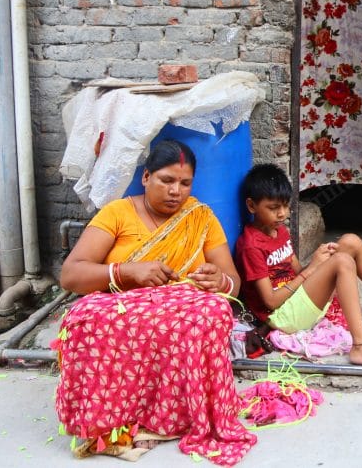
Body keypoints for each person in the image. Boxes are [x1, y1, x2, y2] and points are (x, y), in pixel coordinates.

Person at [56, 139, 255, 464]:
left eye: (185, 183)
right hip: (121, 306)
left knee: (215, 309)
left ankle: (176, 415)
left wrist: (220, 281)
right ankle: (112, 418)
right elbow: (71, 275)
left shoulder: (201, 218)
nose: (176, 191)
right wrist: (128, 272)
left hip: (178, 308)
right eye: (166, 180)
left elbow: (233, 285)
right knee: (85, 314)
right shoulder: (118, 213)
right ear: (146, 177)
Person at [235, 163, 362, 372]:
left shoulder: (279, 232)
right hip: (280, 317)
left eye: (285, 206)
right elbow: (270, 302)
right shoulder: (251, 245)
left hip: (296, 299)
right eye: (273, 208)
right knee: (342, 262)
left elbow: (297, 272)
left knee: (351, 241)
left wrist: (316, 261)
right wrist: (312, 270)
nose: (282, 214)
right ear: (252, 206)